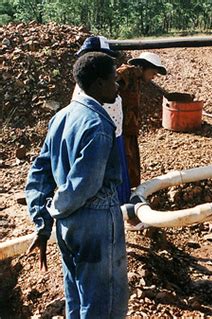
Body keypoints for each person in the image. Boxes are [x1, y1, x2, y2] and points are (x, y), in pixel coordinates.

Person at [25, 52, 128, 318]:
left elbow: (40, 172)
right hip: (95, 223)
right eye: (113, 80)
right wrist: (54, 209)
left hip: (66, 227)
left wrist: (43, 221)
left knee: (76, 297)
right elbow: (84, 185)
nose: (117, 86)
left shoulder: (61, 117)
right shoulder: (99, 125)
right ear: (96, 84)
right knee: (102, 304)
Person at [72, 36, 131, 205]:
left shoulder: (101, 83)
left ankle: (120, 211)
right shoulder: (94, 88)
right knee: (108, 181)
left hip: (114, 136)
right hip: (105, 139)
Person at [117, 52, 167, 188]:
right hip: (119, 130)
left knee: (131, 165)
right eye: (153, 72)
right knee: (123, 165)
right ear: (145, 67)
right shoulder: (127, 73)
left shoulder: (137, 80)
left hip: (129, 129)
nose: (153, 77)